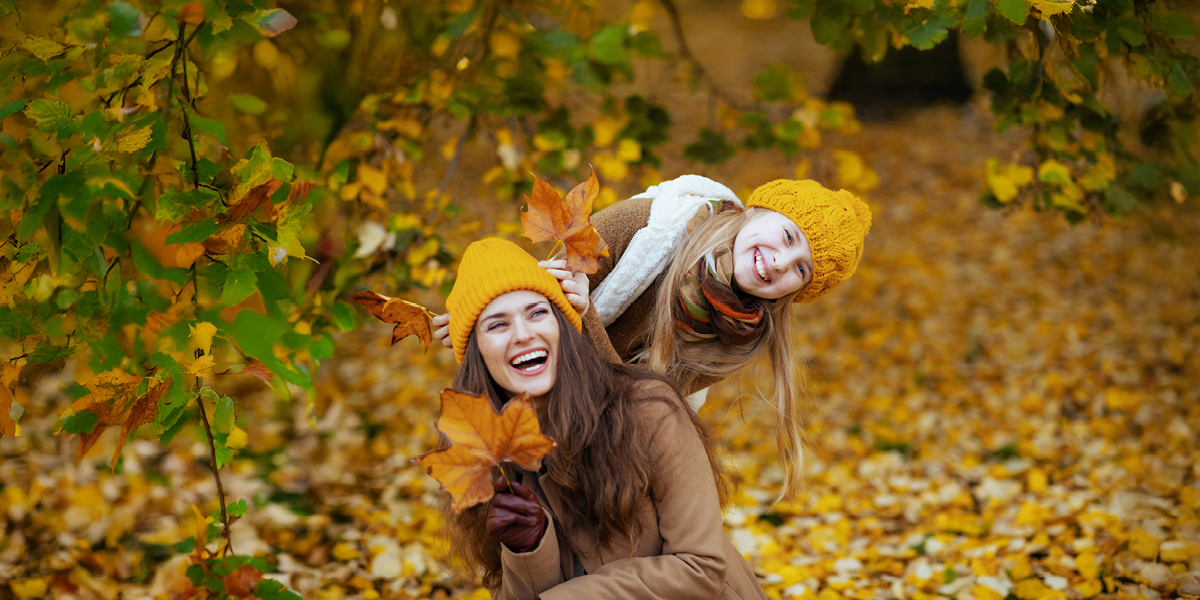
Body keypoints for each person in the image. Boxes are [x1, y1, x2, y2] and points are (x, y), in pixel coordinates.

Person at [433, 176, 872, 499]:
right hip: (537, 383)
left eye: (801, 270)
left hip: (601, 427)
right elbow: (537, 291)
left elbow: (637, 405)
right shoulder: (651, 226)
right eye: (789, 236)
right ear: (756, 212)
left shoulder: (735, 336)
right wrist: (479, 310)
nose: (781, 262)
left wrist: (589, 319)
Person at [440, 238, 766, 600]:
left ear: (563, 325)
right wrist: (528, 549)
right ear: (477, 353)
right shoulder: (495, 460)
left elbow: (700, 567)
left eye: (537, 313)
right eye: (497, 325)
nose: (523, 334)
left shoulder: (647, 409)